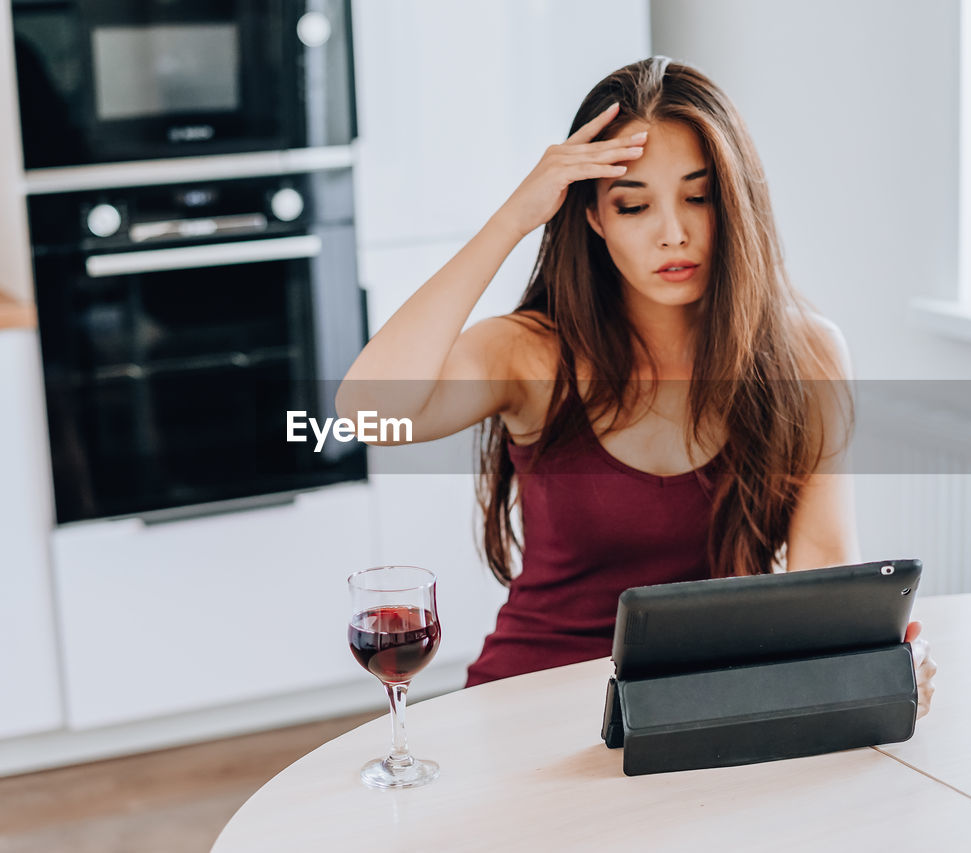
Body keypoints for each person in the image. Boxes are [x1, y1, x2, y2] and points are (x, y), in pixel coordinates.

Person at [335, 56, 936, 714]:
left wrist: (874, 662)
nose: (672, 232)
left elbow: (822, 568)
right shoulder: (532, 352)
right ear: (594, 218)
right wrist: (512, 218)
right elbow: (365, 414)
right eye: (634, 205)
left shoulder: (807, 353)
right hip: (529, 706)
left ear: (735, 202)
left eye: (699, 197)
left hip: (700, 709)